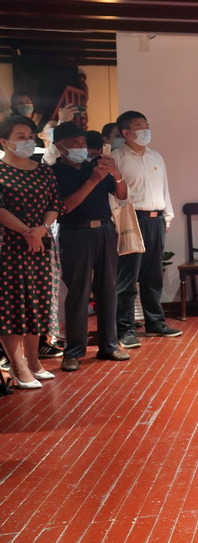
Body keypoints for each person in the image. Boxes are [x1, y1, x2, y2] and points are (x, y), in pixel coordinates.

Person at [51, 122, 130, 371]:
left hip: (105, 229)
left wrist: (116, 173)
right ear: (59, 146)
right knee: (78, 293)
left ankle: (109, 346)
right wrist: (93, 181)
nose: (80, 147)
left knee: (108, 289)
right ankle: (73, 351)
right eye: (74, 143)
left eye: (83, 143)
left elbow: (122, 195)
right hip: (75, 233)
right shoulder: (53, 173)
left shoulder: (93, 167)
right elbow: (65, 207)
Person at [0, 116, 64, 388]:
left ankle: (34, 360)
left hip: (40, 244)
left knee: (38, 301)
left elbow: (54, 204)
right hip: (9, 246)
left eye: (30, 136)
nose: (28, 141)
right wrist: (28, 232)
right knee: (12, 304)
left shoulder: (43, 171)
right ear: (4, 142)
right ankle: (17, 365)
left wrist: (40, 230)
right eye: (21, 137)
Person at [112, 110, 183, 347]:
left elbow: (164, 188)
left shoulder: (156, 157)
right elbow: (112, 195)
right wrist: (117, 224)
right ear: (126, 132)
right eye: (139, 127)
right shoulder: (117, 158)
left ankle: (155, 323)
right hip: (131, 220)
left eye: (147, 126)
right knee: (128, 277)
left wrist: (167, 217)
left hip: (156, 220)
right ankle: (125, 328)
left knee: (153, 275)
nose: (145, 131)